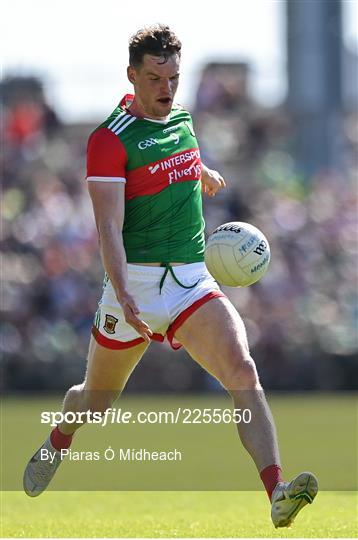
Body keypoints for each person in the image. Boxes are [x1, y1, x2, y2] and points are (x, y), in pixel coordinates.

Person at [23, 23, 318, 528]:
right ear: (133, 75)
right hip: (130, 286)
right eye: (156, 78)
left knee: (242, 372)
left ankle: (276, 490)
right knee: (96, 401)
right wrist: (121, 291)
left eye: (174, 78)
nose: (167, 89)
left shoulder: (181, 119)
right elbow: (108, 227)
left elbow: (177, 155)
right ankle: (59, 440)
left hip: (190, 281)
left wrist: (200, 171)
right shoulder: (108, 141)